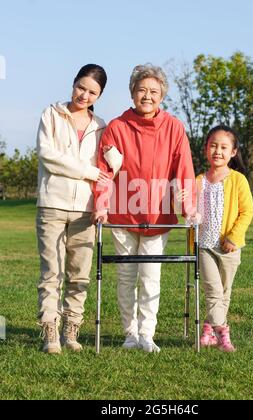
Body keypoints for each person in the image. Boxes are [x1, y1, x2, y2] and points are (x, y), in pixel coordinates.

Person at [93, 64, 197, 353]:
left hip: (158, 214)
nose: (147, 96)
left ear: (161, 95)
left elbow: (184, 170)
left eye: (153, 91)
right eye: (142, 90)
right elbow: (105, 171)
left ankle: (147, 335)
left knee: (150, 276)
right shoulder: (117, 127)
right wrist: (101, 206)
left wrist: (188, 207)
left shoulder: (175, 127)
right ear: (132, 93)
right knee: (126, 277)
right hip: (122, 213)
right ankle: (130, 334)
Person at [36, 64, 122, 354]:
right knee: (52, 272)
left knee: (80, 274)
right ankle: (50, 331)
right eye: (81, 87)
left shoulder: (102, 126)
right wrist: (88, 171)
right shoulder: (51, 114)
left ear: (100, 95)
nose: (84, 95)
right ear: (73, 83)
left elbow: (116, 163)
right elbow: (49, 156)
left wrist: (115, 157)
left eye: (92, 92)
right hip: (51, 204)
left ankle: (71, 331)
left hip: (86, 210)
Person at [196, 125, 253, 352]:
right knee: (213, 290)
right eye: (213, 146)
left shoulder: (238, 180)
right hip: (204, 245)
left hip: (230, 247)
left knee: (225, 293)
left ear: (233, 152)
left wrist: (233, 236)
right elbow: (188, 210)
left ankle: (209, 331)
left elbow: (247, 211)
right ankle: (224, 336)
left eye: (223, 147)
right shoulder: (199, 179)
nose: (217, 151)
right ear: (205, 149)